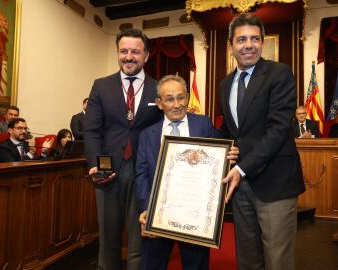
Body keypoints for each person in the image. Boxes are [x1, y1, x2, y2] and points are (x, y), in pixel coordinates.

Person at [217, 13, 305, 270]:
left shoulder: (279, 74)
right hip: (241, 186)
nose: (249, 45)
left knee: (277, 260)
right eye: (242, 39)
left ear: (262, 43)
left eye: (255, 39)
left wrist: (241, 168)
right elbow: (230, 131)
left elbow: (278, 130)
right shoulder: (224, 84)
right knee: (248, 259)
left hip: (275, 184)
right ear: (231, 45)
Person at [134, 75, 239, 270]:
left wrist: (230, 154)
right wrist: (147, 210)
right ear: (159, 103)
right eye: (169, 99)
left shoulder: (204, 125)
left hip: (195, 216)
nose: (176, 104)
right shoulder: (147, 134)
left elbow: (219, 159)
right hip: (158, 215)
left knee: (195, 265)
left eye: (180, 97)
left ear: (188, 97)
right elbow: (141, 175)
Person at [84, 29, 162, 270]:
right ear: (118, 53)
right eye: (124, 51)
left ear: (146, 56)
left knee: (140, 238)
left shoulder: (157, 88)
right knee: (108, 240)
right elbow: (92, 130)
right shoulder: (101, 86)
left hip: (144, 173)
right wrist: (95, 164)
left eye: (135, 52)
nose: (129, 56)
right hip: (109, 171)